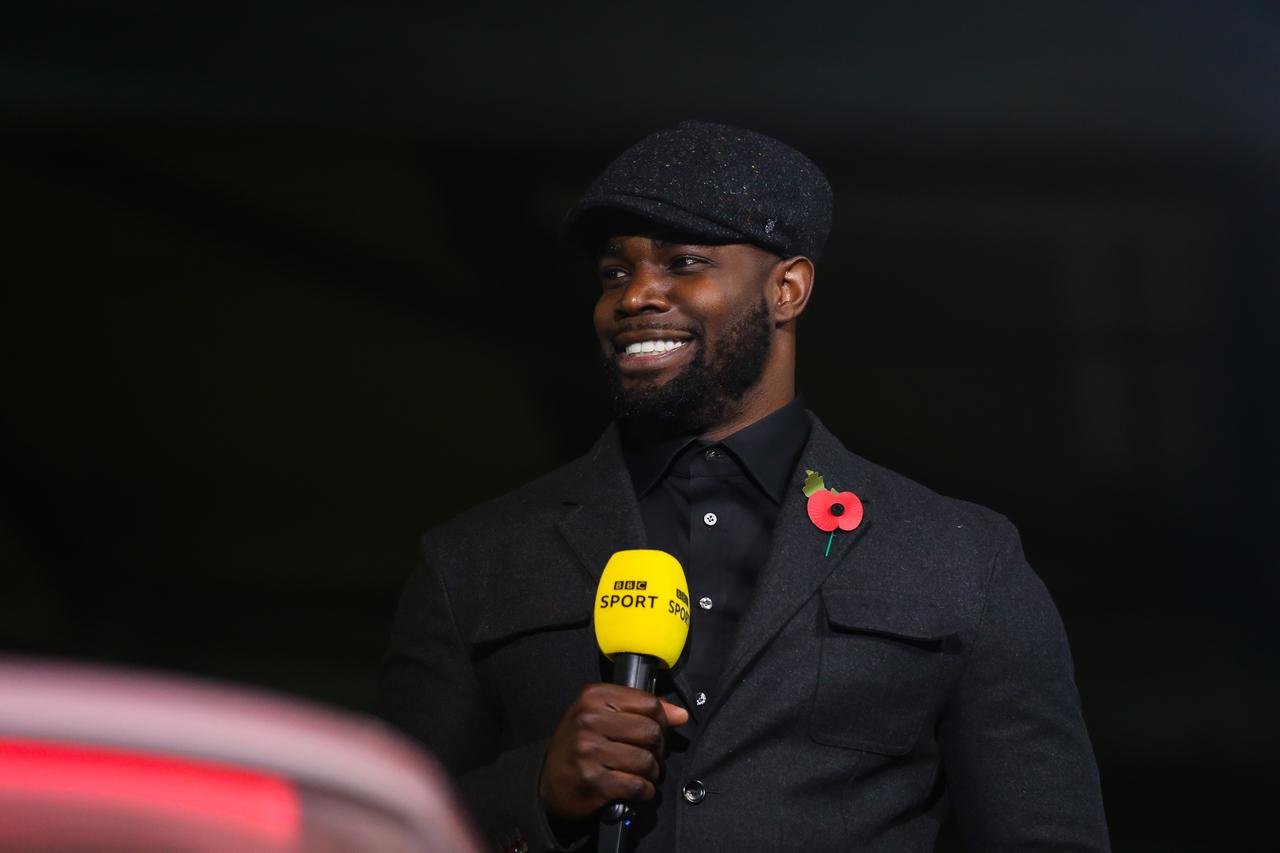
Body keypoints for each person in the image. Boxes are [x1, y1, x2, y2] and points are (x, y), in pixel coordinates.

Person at [379, 120, 1110, 853]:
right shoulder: (474, 559)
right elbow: (375, 827)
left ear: (787, 289)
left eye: (683, 262)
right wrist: (535, 791)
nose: (636, 295)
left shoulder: (960, 558)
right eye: (614, 272)